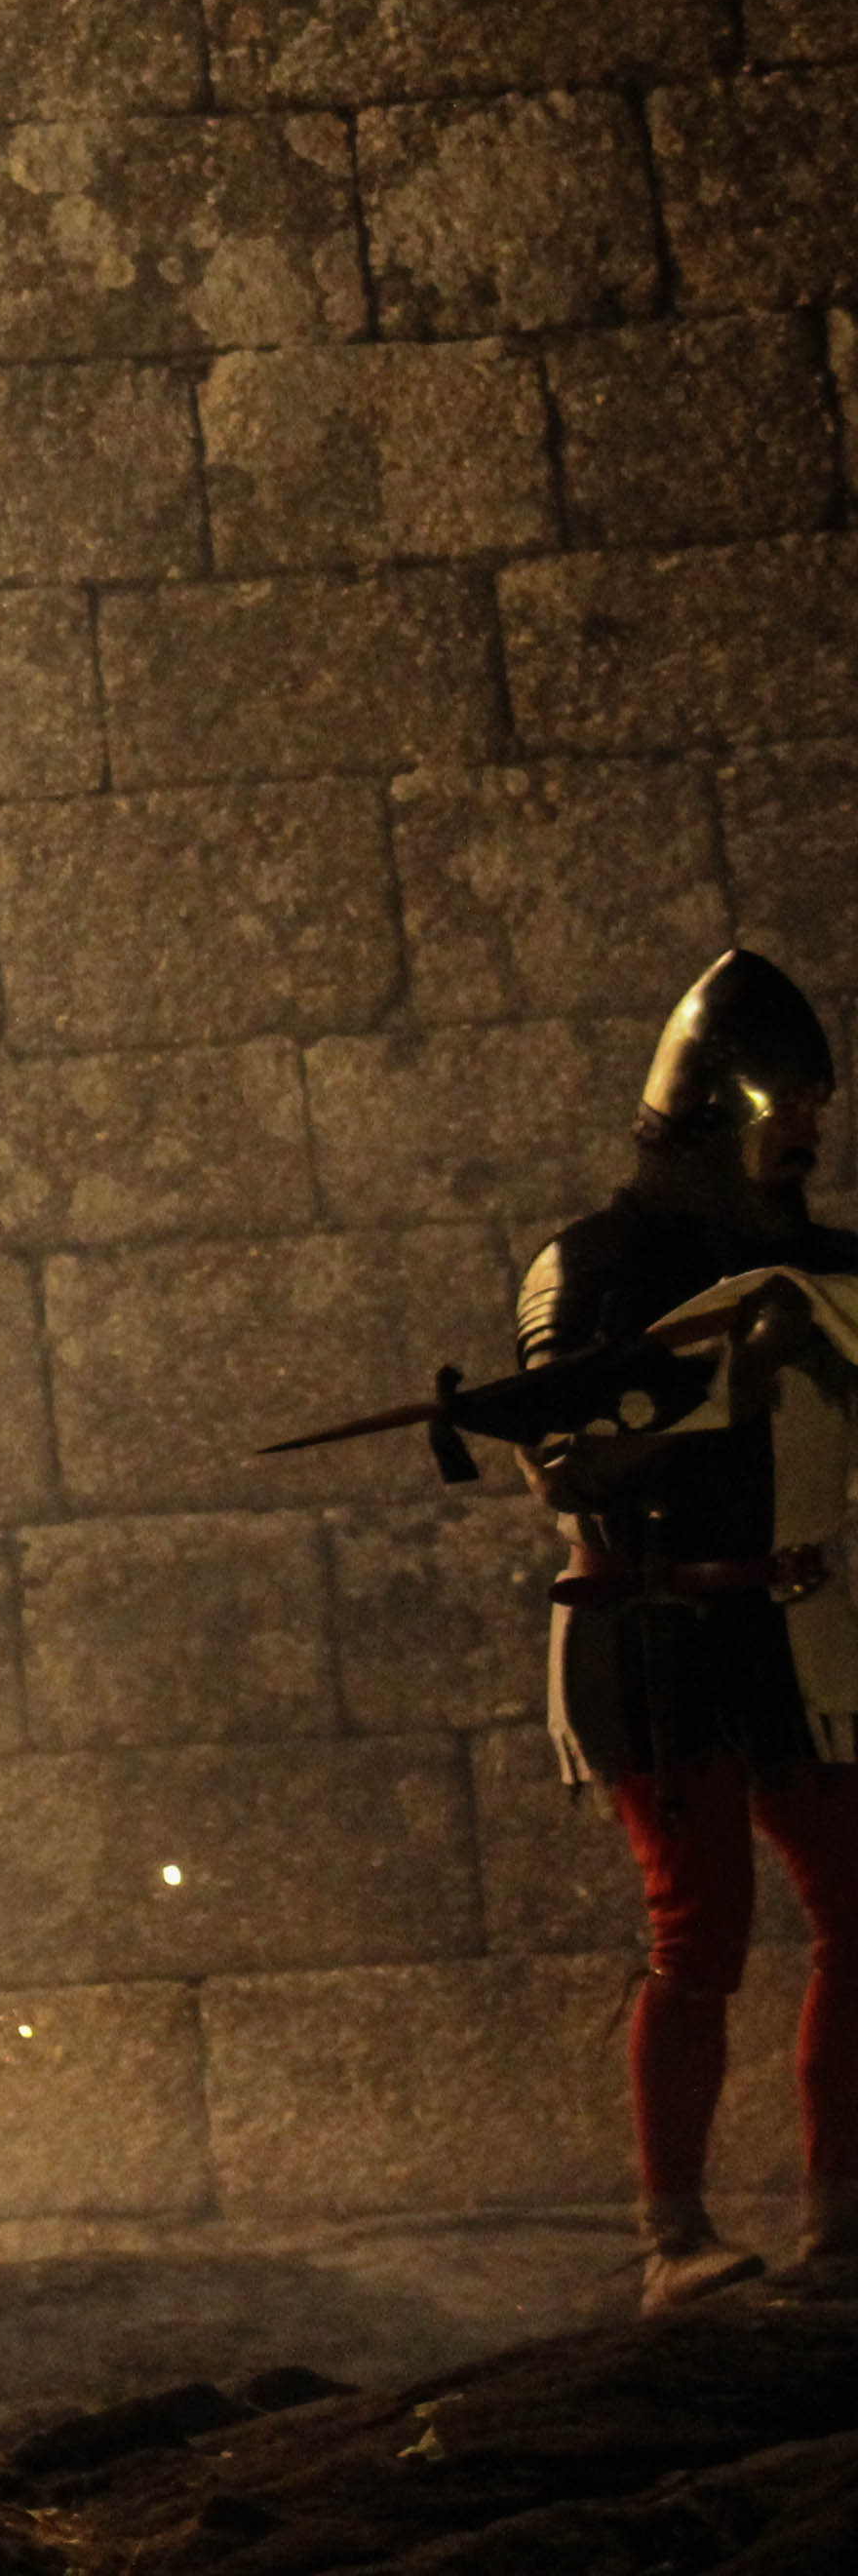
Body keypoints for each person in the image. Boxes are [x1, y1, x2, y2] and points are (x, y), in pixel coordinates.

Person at [508, 950, 858, 2307]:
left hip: (790, 1627)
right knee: (698, 1928)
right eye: (786, 1117)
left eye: (816, 1119)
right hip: (646, 1626)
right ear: (715, 1110)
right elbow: (560, 1453)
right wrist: (704, 1384)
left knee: (857, 1908)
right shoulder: (594, 1266)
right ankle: (674, 2243)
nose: (806, 1143)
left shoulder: (820, 1263)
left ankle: (843, 2226)